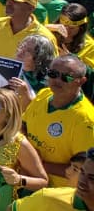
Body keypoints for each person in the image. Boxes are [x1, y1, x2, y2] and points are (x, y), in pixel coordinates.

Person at [21, 54, 94, 186]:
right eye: (53, 74)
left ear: (82, 81)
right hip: (25, 178)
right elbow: (23, 126)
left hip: (55, 191)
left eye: (66, 77)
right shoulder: (44, 94)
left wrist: (34, 163)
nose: (57, 80)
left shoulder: (86, 120)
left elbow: (84, 169)